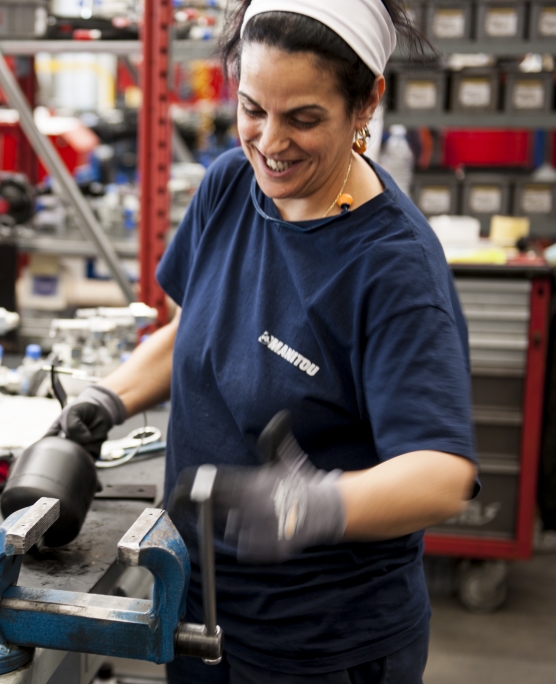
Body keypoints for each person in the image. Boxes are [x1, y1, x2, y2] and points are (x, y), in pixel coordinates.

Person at [48, 1, 478, 681]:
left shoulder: (392, 268)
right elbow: (198, 327)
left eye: (303, 118)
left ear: (366, 102)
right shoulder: (229, 186)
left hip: (322, 645)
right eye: (253, 109)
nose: (269, 143)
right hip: (194, 605)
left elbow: (441, 474)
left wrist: (315, 505)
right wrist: (107, 399)